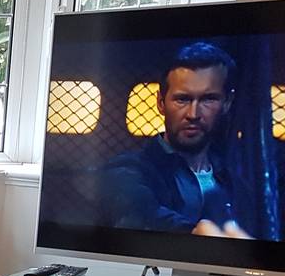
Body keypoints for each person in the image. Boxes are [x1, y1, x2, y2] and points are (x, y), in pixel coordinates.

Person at [105, 42, 254, 238]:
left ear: (227, 103)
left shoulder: (234, 183)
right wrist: (194, 234)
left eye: (208, 99)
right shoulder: (130, 169)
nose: (193, 113)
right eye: (182, 99)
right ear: (160, 103)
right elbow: (138, 211)